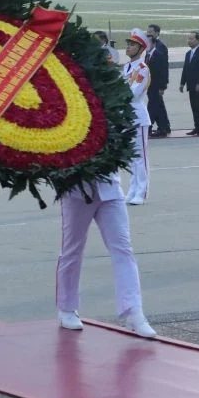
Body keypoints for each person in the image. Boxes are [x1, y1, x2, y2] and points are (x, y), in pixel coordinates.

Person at [55, 174, 157, 339]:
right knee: (72, 250)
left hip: (110, 189)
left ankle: (133, 311)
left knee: (123, 249)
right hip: (76, 191)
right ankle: (66, 307)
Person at [122, 29, 152, 206]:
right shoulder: (126, 67)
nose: (128, 47)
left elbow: (133, 93)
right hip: (126, 115)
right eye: (128, 44)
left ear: (140, 49)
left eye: (132, 45)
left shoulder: (142, 69)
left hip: (138, 116)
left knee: (140, 157)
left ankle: (142, 190)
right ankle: (132, 189)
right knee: (131, 157)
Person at [145, 24, 170, 138]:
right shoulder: (150, 47)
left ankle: (148, 128)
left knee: (152, 106)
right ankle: (164, 127)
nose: (148, 33)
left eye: (150, 32)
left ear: (157, 33)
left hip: (157, 84)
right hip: (151, 83)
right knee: (159, 106)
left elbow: (164, 68)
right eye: (147, 31)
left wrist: (162, 86)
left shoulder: (160, 47)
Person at [180, 33, 199, 136]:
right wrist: (182, 83)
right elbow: (185, 69)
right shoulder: (188, 53)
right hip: (191, 85)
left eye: (191, 39)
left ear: (198, 40)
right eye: (188, 39)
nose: (189, 40)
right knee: (194, 107)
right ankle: (197, 128)